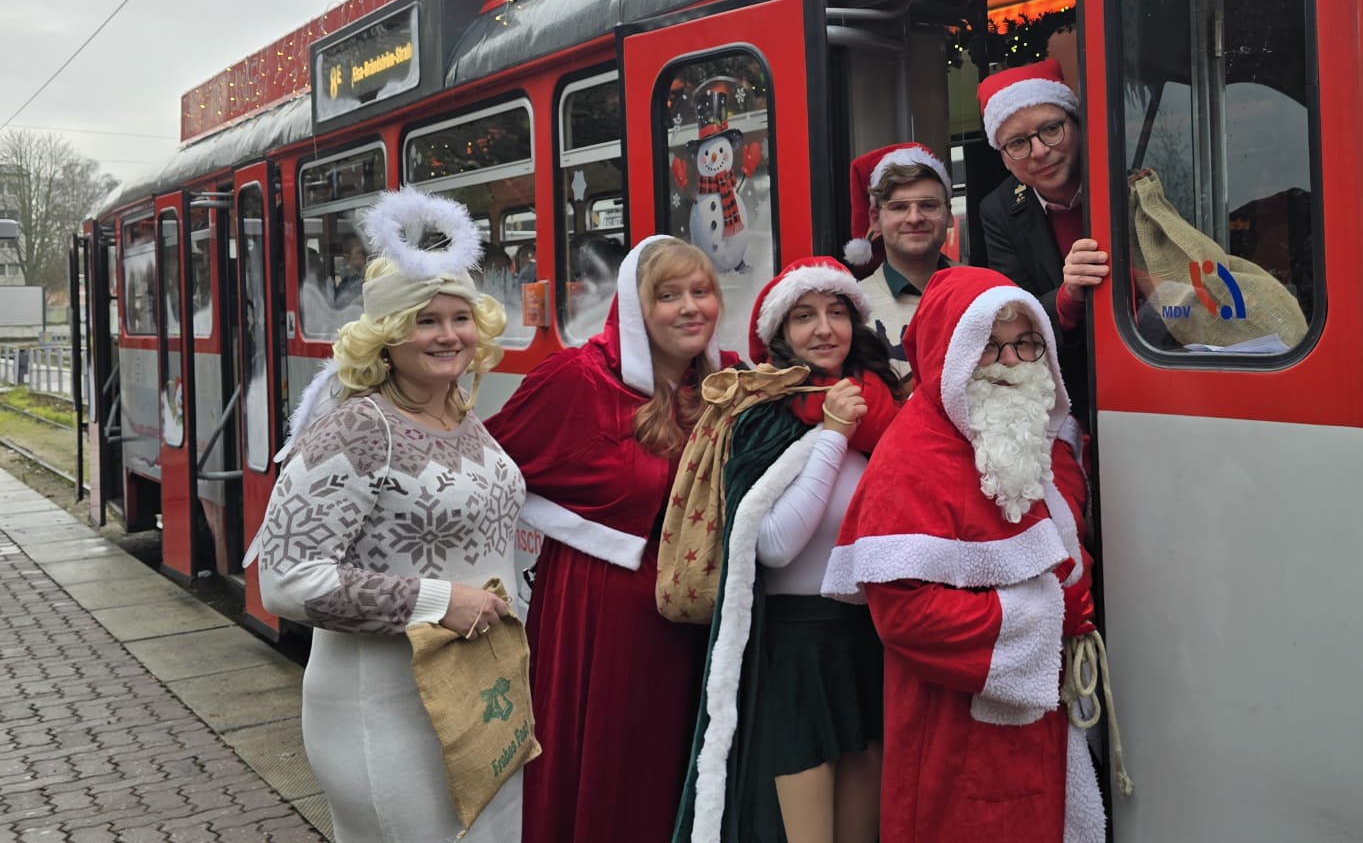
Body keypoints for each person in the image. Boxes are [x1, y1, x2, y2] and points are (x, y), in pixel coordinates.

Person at [255, 188, 522, 843]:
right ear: (387, 333)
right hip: (387, 711)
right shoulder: (357, 429)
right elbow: (286, 579)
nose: (449, 335)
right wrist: (439, 602)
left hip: (480, 695)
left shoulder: (460, 413)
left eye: (460, 318)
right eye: (426, 320)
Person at [822, 267, 1102, 842]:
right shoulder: (911, 458)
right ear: (950, 353)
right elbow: (904, 615)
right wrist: (1047, 616)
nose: (1010, 362)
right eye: (990, 346)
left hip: (1038, 722)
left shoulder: (1033, 440)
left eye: (1026, 343)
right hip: (953, 731)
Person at [483, 235, 734, 843]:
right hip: (606, 609)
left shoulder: (730, 384)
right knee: (619, 766)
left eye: (700, 292)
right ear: (633, 306)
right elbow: (484, 467)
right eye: (667, 295)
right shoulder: (578, 378)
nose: (690, 308)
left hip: (703, 609)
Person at [677, 257, 904, 843]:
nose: (825, 329)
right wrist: (833, 436)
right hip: (795, 652)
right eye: (805, 316)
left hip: (867, 642)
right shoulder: (760, 414)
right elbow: (773, 545)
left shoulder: (887, 410)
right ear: (780, 333)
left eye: (837, 313)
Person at [974, 54, 1109, 412]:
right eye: (1018, 143)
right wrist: (1068, 295)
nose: (1039, 151)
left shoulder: (1122, 177)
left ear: (1077, 124)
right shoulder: (998, 209)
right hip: (1067, 390)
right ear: (1004, 158)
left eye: (1051, 129)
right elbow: (1016, 318)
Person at [842, 143, 954, 381]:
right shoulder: (851, 310)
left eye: (928, 205)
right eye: (899, 207)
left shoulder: (987, 291)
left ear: (949, 214)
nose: (914, 218)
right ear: (875, 219)